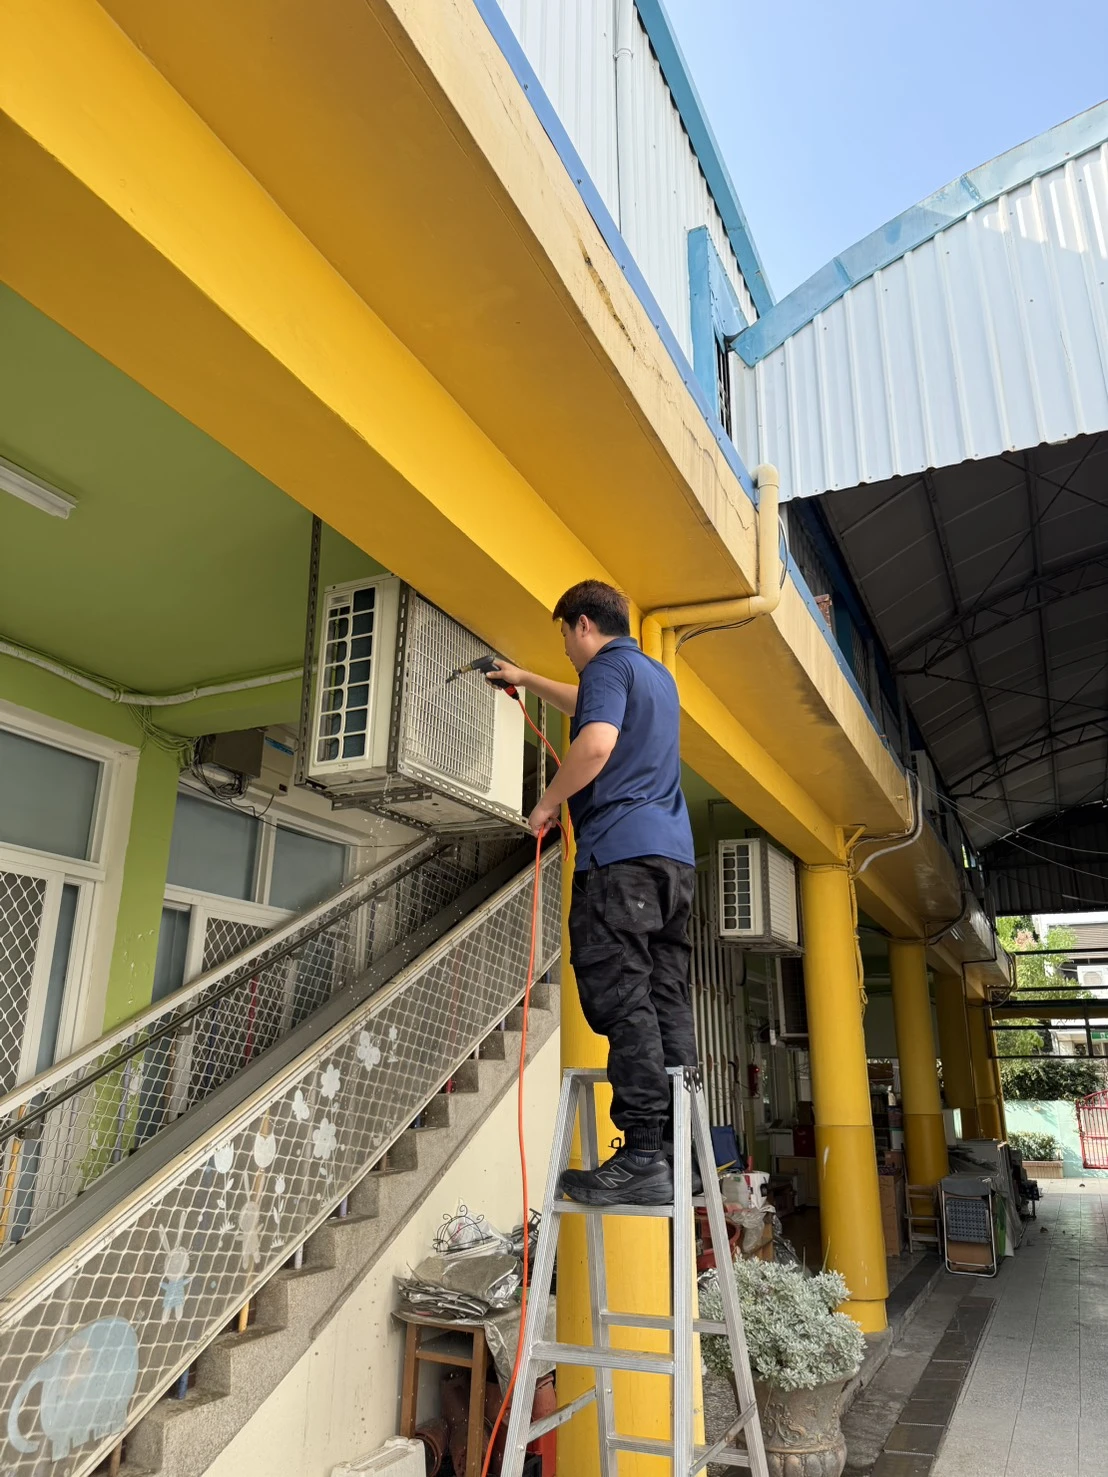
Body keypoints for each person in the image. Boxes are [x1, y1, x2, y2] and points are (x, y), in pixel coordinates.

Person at [489, 580, 699, 1206]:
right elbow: (588, 702)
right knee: (666, 999)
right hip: (672, 864)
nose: (567, 651)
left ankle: (639, 1153)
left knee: (621, 993)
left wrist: (547, 804)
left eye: (564, 638)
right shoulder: (656, 677)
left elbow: (598, 740)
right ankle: (677, 1151)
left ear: (584, 625)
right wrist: (525, 679)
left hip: (620, 860)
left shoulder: (608, 666)